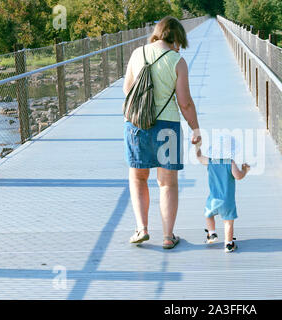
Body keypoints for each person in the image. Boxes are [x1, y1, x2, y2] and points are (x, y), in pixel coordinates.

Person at [123, 16, 201, 249]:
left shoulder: (138, 53)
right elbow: (185, 102)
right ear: (176, 38)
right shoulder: (177, 60)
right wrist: (195, 127)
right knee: (167, 183)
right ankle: (168, 236)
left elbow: (128, 89)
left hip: (137, 123)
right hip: (168, 126)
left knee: (138, 178)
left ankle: (141, 229)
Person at [195, 136, 250, 252]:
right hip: (227, 201)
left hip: (213, 199)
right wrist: (244, 170)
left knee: (208, 215)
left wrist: (197, 146)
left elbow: (199, 157)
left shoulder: (210, 161)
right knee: (228, 222)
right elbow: (238, 176)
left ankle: (211, 233)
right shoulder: (230, 163)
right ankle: (229, 244)